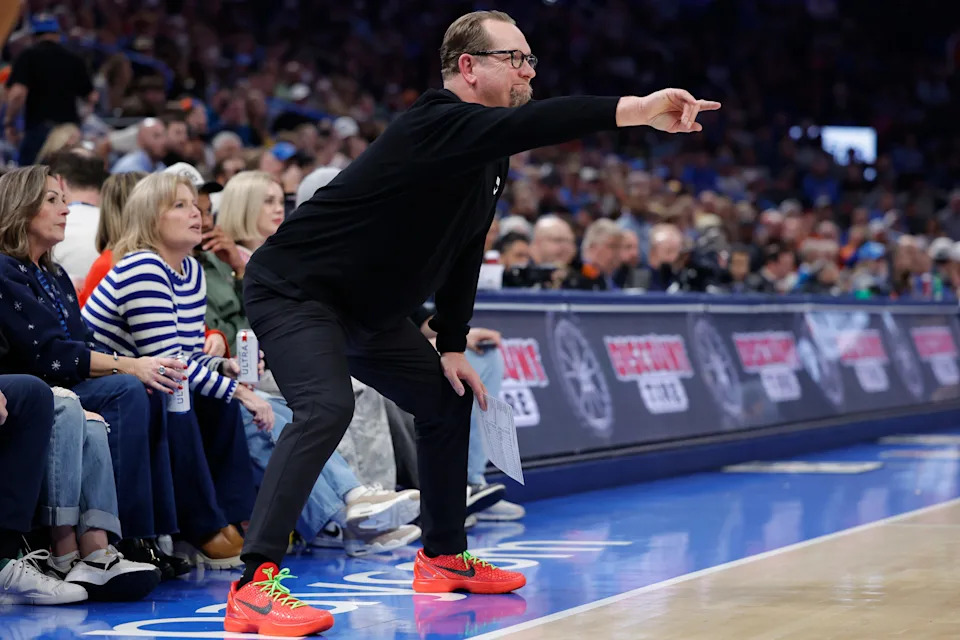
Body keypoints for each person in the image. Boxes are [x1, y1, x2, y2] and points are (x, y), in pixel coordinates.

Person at [225, 10, 719, 636]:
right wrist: (635, 109)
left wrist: (451, 343)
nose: (528, 72)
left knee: (446, 399)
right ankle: (254, 584)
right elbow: (540, 122)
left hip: (368, 309)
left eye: (530, 60)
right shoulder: (435, 122)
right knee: (325, 408)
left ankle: (440, 557)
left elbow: (466, 245)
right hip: (296, 292)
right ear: (469, 67)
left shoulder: (487, 154)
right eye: (516, 59)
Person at [0, 165, 187, 575]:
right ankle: (128, 536)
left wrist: (136, 368)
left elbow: (82, 344)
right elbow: (46, 355)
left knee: (152, 389)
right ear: (20, 207)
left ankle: (155, 533)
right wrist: (130, 365)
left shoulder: (54, 272)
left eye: (64, 199)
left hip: (68, 383)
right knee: (128, 390)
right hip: (39, 389)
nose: (65, 210)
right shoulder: (5, 270)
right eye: (52, 200)